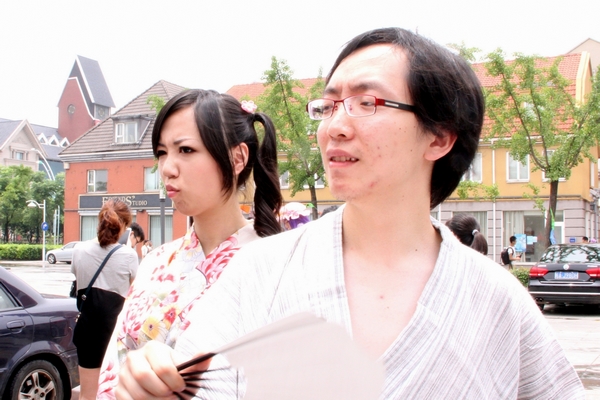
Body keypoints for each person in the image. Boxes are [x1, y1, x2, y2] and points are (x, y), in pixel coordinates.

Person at [117, 28, 583, 399]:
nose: (334, 127)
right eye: (328, 106)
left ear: (439, 137)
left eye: (367, 102)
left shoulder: (498, 302)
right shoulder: (259, 273)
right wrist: (155, 386)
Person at [96, 89, 282, 398]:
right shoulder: (155, 262)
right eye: (162, 152)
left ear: (237, 158)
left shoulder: (276, 266)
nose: (167, 168)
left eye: (185, 149)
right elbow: (113, 369)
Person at [71, 199, 138, 400]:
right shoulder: (129, 255)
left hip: (88, 330)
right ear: (124, 225)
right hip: (115, 332)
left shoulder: (79, 249)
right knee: (118, 392)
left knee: (87, 394)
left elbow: (78, 279)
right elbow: (135, 292)